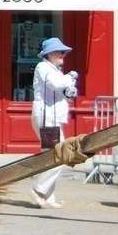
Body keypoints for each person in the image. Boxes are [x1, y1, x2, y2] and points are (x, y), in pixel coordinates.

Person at [30, 37, 78, 209]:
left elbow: (64, 91)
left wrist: (71, 90)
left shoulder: (55, 69)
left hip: (53, 118)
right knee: (59, 156)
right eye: (59, 51)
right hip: (46, 118)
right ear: (49, 54)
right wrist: (69, 78)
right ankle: (38, 189)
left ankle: (48, 196)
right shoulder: (43, 67)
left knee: (53, 156)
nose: (62, 54)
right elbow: (55, 84)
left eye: (63, 52)